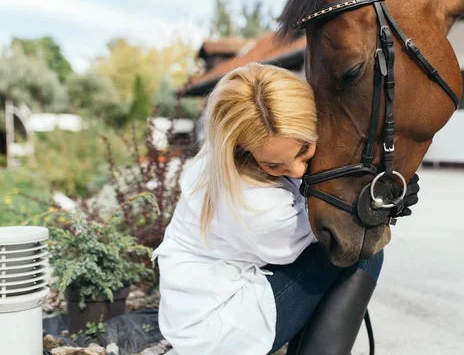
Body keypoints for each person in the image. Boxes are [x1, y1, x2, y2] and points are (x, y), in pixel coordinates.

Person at [152, 62, 419, 355]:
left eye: (303, 151)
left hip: (193, 314)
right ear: (244, 150)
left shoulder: (217, 160)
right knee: (358, 248)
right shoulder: (258, 208)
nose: (293, 171)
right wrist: (375, 203)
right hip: (218, 328)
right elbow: (336, 226)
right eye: (273, 165)